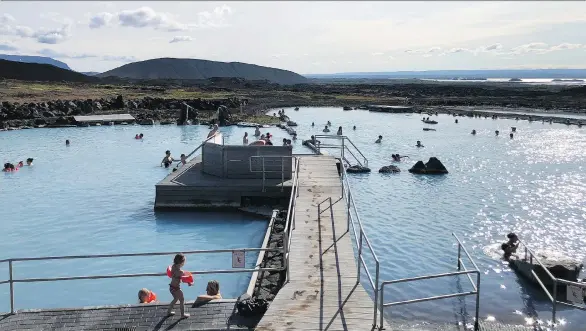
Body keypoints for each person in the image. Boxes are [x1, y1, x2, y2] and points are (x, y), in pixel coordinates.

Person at [167, 253, 190, 318]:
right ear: (181, 263)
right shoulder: (180, 272)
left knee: (175, 299)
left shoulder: (173, 266)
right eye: (184, 262)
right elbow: (184, 280)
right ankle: (182, 315)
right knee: (182, 300)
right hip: (176, 288)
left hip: (171, 287)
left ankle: (168, 312)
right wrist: (189, 283)